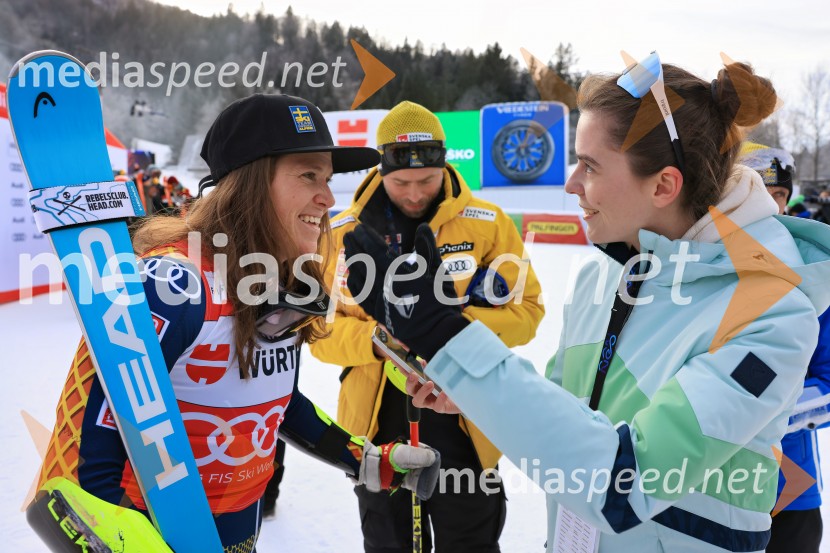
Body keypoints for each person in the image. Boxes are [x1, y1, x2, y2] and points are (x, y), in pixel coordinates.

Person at [344, 53, 830, 552]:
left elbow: (623, 482)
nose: (571, 184)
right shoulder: (606, 272)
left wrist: (446, 336)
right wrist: (470, 393)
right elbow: (570, 415)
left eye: (590, 166)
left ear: (663, 185)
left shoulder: (771, 312)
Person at [28, 93, 441, 553]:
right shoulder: (172, 286)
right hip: (156, 533)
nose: (326, 198)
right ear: (251, 183)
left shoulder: (283, 283)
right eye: (308, 175)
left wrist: (367, 460)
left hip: (239, 530)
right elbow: (82, 475)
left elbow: (275, 402)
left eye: (327, 178)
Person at [309, 100, 545, 552]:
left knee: (471, 541)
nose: (415, 193)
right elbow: (320, 333)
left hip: (465, 418)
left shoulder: (489, 224)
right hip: (378, 425)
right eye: (401, 182)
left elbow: (528, 312)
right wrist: (379, 341)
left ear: (444, 165)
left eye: (427, 180)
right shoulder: (341, 232)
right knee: (387, 543)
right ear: (381, 171)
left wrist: (447, 330)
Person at [739, 143, 830, 553]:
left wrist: (759, 408)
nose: (772, 207)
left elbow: (828, 384)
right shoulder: (691, 269)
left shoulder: (815, 279)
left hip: (790, 488)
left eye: (779, 194)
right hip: (706, 488)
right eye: (758, 191)